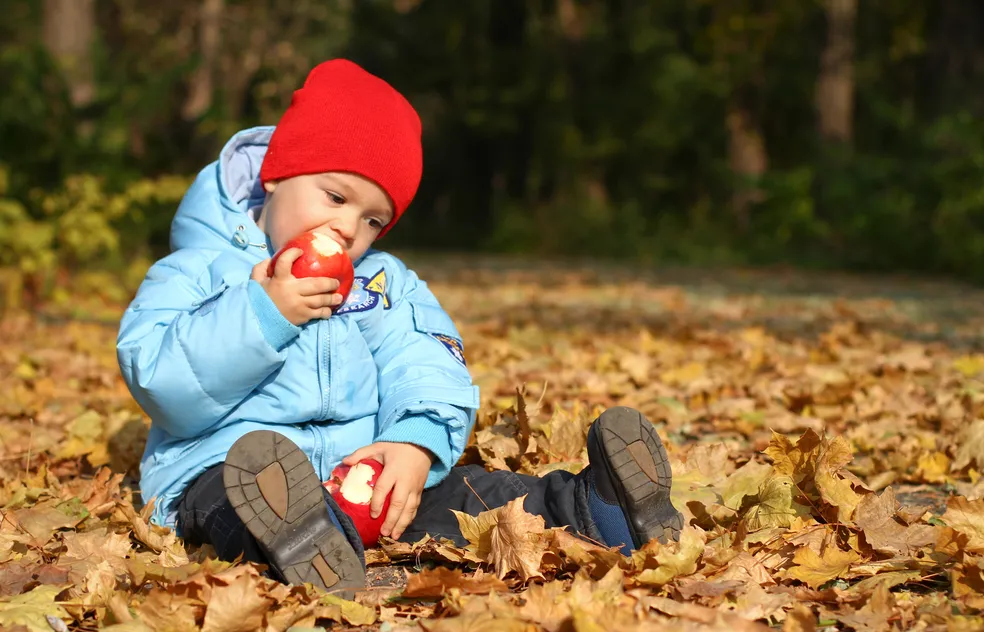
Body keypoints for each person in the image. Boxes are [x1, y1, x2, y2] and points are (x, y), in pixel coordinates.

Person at [116, 59, 683, 600]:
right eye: (336, 197)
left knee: (472, 497)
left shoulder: (382, 283)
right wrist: (262, 313)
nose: (347, 227)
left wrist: (414, 444)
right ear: (276, 173)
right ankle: (303, 537)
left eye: (372, 220)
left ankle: (595, 508)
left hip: (364, 471)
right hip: (226, 466)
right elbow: (164, 384)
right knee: (237, 497)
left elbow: (427, 360)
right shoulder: (196, 271)